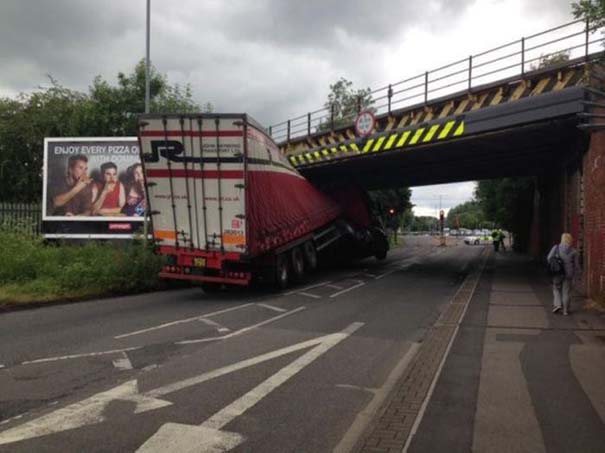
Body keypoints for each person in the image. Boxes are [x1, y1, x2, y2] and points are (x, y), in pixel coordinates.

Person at [547, 233, 581, 316]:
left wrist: (554, 265)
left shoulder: (556, 247)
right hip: (568, 274)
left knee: (556, 288)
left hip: (558, 272)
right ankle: (565, 311)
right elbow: (576, 266)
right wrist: (577, 275)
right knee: (566, 292)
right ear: (570, 240)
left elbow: (549, 258)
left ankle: (558, 305)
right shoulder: (574, 251)